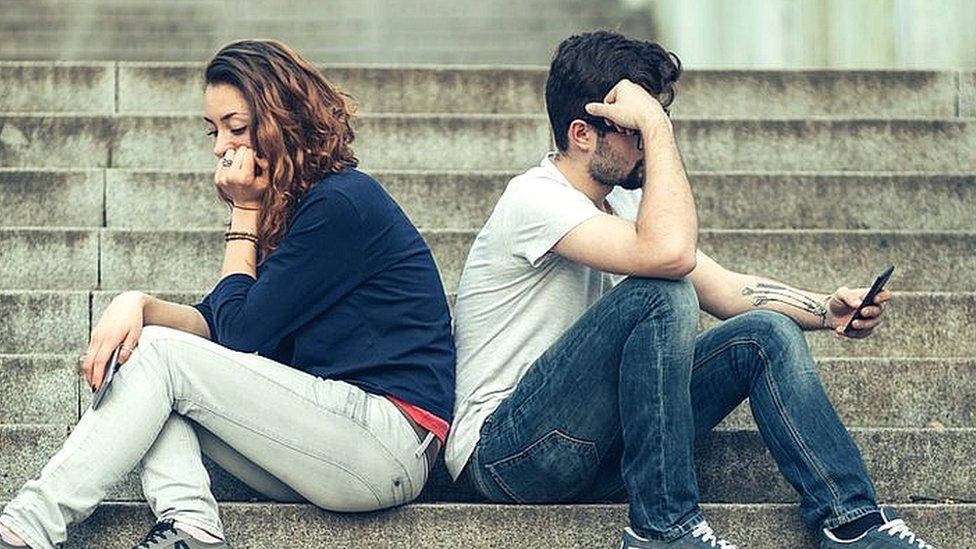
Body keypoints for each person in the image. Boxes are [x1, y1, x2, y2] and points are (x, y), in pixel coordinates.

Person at [445, 31, 935, 549]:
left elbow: (723, 288)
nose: (647, 144)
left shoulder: (631, 211)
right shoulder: (533, 199)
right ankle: (665, 528)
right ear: (583, 134)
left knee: (763, 334)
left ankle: (852, 522)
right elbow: (671, 258)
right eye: (634, 130)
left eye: (652, 126)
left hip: (598, 449)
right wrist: (657, 128)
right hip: (509, 453)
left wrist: (824, 309)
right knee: (662, 293)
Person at [0, 39, 455, 549]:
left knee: (158, 356)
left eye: (235, 128)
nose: (220, 146)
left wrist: (243, 213)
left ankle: (25, 529)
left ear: (283, 118)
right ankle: (190, 525)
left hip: (387, 438)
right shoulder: (294, 210)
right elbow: (217, 323)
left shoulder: (341, 204)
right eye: (214, 131)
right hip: (336, 447)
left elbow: (240, 334)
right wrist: (139, 306)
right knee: (139, 353)